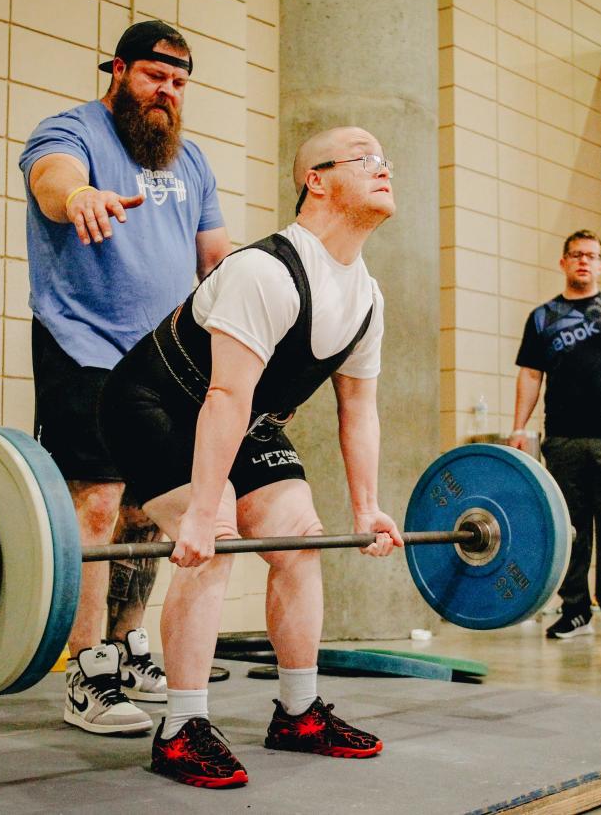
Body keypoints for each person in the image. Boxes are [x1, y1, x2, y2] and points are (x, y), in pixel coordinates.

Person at [98, 126, 401, 788]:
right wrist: (205, 513)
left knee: (300, 538)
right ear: (316, 180)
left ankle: (298, 713)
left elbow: (359, 410)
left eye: (385, 160)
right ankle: (181, 728)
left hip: (237, 416)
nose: (384, 169)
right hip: (154, 402)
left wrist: (369, 507)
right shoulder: (266, 271)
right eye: (365, 159)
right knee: (218, 539)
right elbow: (226, 393)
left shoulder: (365, 299)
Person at [19, 20, 232, 735]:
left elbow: (217, 260)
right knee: (98, 503)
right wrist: (76, 197)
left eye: (177, 83)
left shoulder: (191, 160)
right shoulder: (71, 131)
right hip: (83, 345)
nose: (166, 93)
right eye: (153, 77)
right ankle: (86, 670)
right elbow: (53, 181)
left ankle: (129, 644)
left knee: (148, 508)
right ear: (117, 71)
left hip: (163, 363)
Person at [510, 230, 601, 643]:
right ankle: (575, 610)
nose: (584, 262)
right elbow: (530, 374)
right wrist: (519, 427)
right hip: (564, 439)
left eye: (592, 256)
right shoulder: (542, 317)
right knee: (569, 529)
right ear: (563, 262)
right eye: (576, 255)